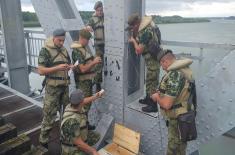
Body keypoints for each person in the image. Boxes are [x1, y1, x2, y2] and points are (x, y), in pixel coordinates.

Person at [151, 49, 195, 155]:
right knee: (181, 150)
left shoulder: (174, 74)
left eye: (162, 65)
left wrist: (156, 97)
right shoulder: (183, 69)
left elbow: (167, 104)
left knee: (173, 151)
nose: (163, 68)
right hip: (184, 117)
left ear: (164, 61)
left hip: (177, 122)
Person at [38, 29, 73, 148]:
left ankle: (64, 136)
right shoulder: (45, 50)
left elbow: (67, 64)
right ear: (54, 38)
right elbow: (41, 70)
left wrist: (69, 67)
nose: (62, 43)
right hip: (52, 89)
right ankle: (43, 141)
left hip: (65, 88)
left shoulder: (63, 50)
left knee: (67, 114)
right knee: (49, 116)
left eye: (63, 41)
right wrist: (57, 67)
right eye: (59, 40)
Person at [128, 13, 160, 112]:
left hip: (153, 61)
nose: (133, 28)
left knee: (152, 82)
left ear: (137, 23)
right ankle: (148, 99)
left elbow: (138, 50)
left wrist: (133, 41)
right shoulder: (148, 27)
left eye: (133, 25)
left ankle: (153, 106)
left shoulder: (146, 31)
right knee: (149, 80)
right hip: (151, 60)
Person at [71, 29, 102, 130]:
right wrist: (94, 62)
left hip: (88, 82)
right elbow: (83, 69)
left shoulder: (83, 48)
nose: (88, 42)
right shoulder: (77, 51)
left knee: (87, 105)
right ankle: (81, 127)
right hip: (82, 83)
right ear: (82, 38)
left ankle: (85, 123)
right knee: (83, 104)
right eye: (87, 40)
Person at [61, 89, 103, 155]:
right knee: (83, 148)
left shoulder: (73, 105)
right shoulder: (71, 121)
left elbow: (85, 101)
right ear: (81, 102)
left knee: (96, 136)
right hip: (72, 149)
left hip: (77, 137)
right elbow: (79, 143)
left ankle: (86, 146)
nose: (84, 100)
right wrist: (93, 151)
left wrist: (95, 96)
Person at [86, 1, 105, 92]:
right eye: (98, 11)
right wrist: (88, 27)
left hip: (108, 45)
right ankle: (98, 84)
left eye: (101, 10)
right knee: (98, 64)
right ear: (95, 10)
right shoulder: (92, 19)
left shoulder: (106, 17)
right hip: (98, 45)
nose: (100, 12)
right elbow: (88, 26)